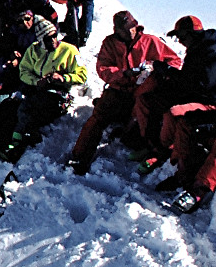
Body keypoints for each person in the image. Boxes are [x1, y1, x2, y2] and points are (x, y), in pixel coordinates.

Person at [66, 11, 181, 175]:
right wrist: (123, 73)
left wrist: (157, 69)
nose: (129, 32)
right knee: (98, 118)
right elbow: (103, 69)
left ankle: (151, 149)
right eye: (125, 29)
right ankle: (79, 157)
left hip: (142, 93)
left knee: (140, 125)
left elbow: (175, 62)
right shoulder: (110, 43)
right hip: (118, 90)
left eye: (131, 28)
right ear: (117, 30)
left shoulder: (150, 41)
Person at [139, 17, 216, 204]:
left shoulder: (213, 53)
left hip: (209, 103)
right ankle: (162, 153)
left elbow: (203, 88)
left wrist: (169, 72)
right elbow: (190, 82)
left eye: (181, 37)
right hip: (202, 102)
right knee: (154, 102)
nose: (181, 42)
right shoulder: (198, 50)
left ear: (191, 35)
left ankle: (194, 185)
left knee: (177, 114)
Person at [1, 18, 87, 161]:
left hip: (57, 94)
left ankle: (17, 144)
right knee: (10, 106)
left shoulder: (70, 50)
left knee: (28, 109)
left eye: (55, 35)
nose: (53, 40)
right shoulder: (34, 49)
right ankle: (8, 140)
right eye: (48, 38)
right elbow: (23, 70)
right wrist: (36, 81)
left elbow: (82, 75)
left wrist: (63, 78)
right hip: (37, 89)